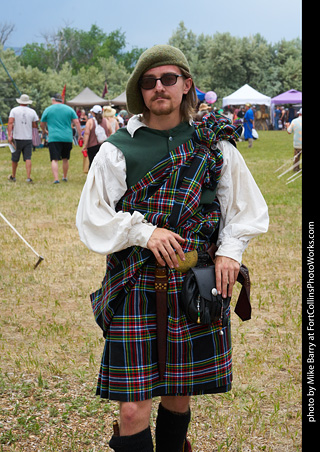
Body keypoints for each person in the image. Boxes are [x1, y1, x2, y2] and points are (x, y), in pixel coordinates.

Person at [76, 45, 269, 452]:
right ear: (140, 92)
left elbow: (244, 208)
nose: (159, 87)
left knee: (179, 392)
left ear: (186, 84)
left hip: (194, 283)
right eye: (149, 82)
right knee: (132, 410)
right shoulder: (118, 149)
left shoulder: (214, 145)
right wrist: (145, 233)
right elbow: (92, 217)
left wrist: (230, 252)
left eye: (168, 79)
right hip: (137, 281)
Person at [40, 93, 81, 183]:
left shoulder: (48, 109)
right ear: (61, 100)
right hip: (67, 137)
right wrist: (80, 135)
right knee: (65, 158)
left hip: (54, 137)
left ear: (53, 100)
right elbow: (77, 122)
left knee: (54, 159)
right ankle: (65, 177)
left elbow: (42, 123)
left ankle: (56, 178)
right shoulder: (69, 109)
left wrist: (44, 131)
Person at [7, 94, 39, 183]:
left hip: (17, 138)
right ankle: (28, 177)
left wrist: (10, 135)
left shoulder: (14, 110)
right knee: (28, 158)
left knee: (15, 158)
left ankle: (13, 176)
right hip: (28, 138)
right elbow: (35, 125)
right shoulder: (32, 112)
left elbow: (10, 123)